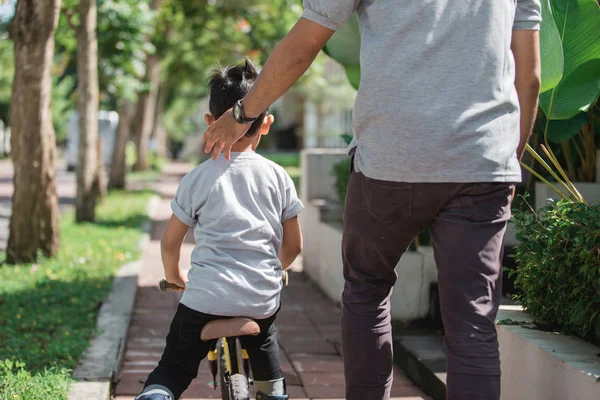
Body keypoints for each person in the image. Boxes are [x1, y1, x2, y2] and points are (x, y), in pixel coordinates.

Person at [202, 1, 542, 399]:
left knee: (367, 290)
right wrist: (507, 156)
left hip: (390, 160)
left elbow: (305, 43)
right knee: (473, 321)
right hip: (482, 161)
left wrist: (242, 114)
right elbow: (529, 76)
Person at [135, 60, 304, 400]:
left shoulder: (197, 178)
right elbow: (294, 245)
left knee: (171, 370)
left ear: (210, 122)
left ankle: (157, 394)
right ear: (267, 124)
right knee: (270, 364)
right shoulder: (278, 177)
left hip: (205, 299)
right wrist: (277, 268)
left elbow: (170, 243)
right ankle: (273, 392)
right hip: (260, 299)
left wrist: (174, 277)